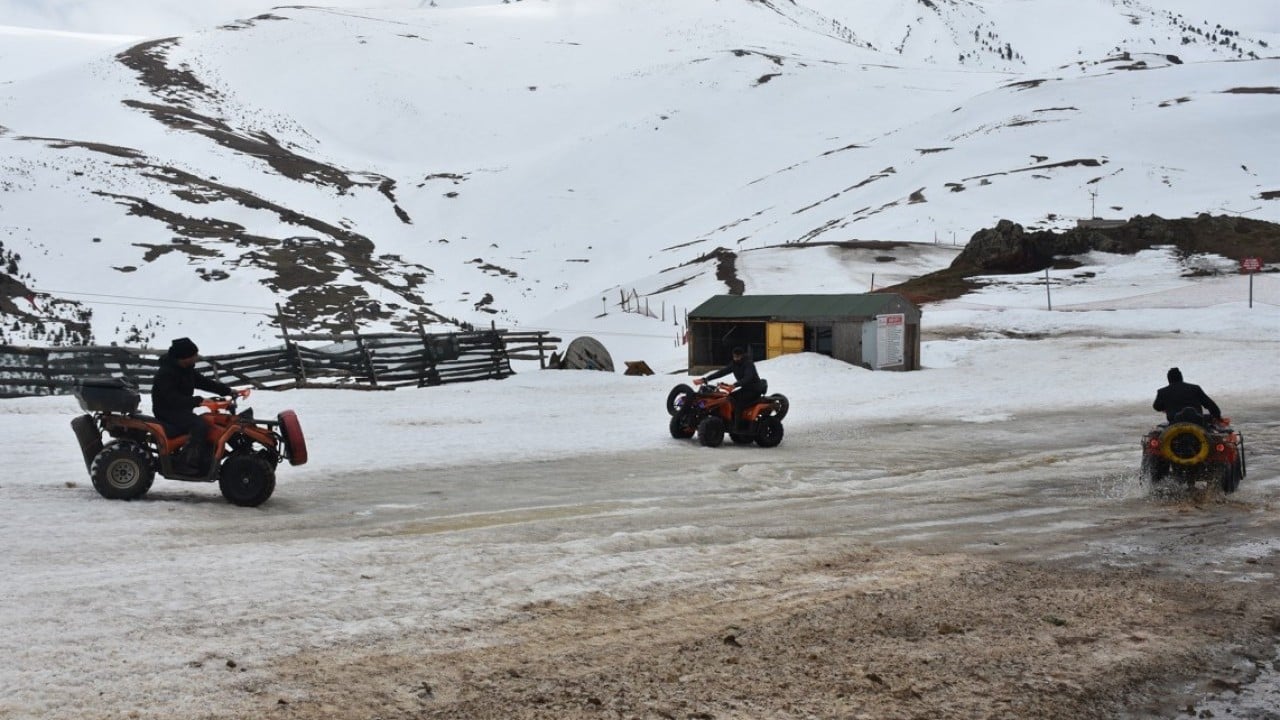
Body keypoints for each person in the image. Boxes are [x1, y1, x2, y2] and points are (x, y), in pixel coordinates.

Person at [151, 337, 239, 473]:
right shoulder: (166, 373)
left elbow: (205, 383)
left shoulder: (186, 369)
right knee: (199, 425)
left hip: (181, 410)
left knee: (211, 420)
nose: (196, 357)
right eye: (193, 355)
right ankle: (184, 463)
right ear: (184, 357)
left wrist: (228, 391)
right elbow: (171, 399)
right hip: (167, 411)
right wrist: (197, 401)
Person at [693, 346, 764, 427]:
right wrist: (706, 379)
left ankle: (738, 426)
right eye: (734, 356)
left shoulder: (748, 364)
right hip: (745, 389)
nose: (736, 358)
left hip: (754, 390)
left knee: (738, 403)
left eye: (738, 356)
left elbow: (748, 377)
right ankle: (728, 420)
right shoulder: (734, 364)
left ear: (742, 356)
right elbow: (722, 372)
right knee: (729, 398)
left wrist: (734, 385)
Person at [1153, 367, 1221, 425]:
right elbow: (1211, 405)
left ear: (1169, 380)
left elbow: (1156, 406)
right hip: (1197, 422)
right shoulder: (1195, 388)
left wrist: (1166, 405)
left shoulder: (1162, 392)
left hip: (1175, 424)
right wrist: (1217, 417)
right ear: (1181, 377)